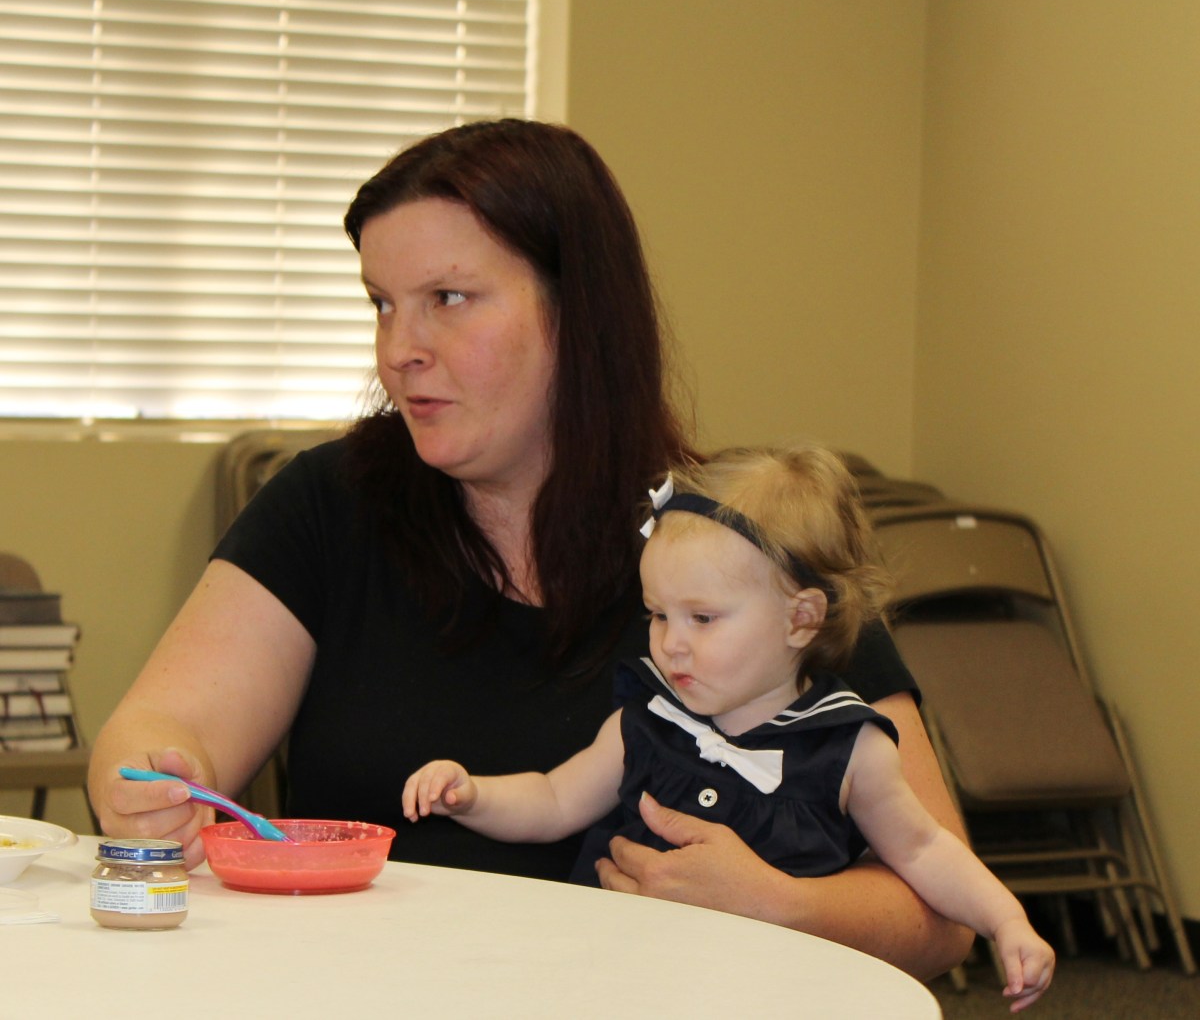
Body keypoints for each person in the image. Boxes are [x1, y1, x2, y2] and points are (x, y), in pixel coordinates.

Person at [87, 118, 971, 978]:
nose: (399, 350)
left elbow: (944, 917)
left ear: (577, 311)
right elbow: (162, 730)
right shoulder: (328, 504)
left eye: (448, 299)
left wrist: (784, 905)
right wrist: (149, 785)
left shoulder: (740, 542)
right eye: (382, 303)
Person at [404, 445, 1054, 1012]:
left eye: (703, 618)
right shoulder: (648, 720)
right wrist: (473, 794)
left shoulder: (849, 748)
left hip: (772, 999)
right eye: (658, 615)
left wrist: (1006, 920)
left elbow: (924, 850)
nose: (671, 643)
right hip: (618, 986)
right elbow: (553, 800)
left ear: (800, 618)